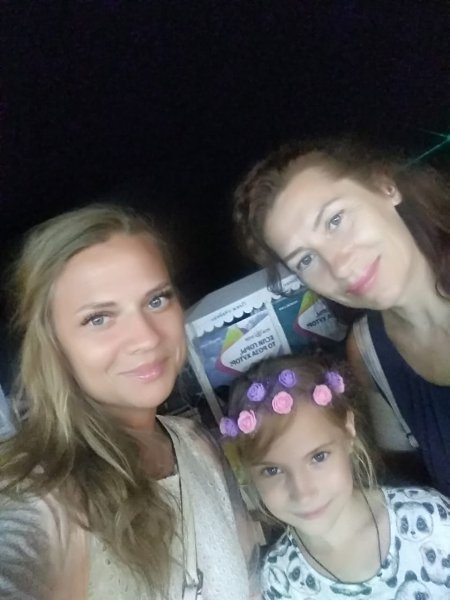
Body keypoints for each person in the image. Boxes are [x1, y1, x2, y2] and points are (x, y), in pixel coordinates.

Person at [0, 204, 259, 599]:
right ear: (53, 346)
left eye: (156, 300)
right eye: (99, 318)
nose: (146, 338)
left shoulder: (197, 444)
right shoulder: (43, 493)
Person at [232, 138, 450, 495]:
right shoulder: (370, 353)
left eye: (335, 220)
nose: (340, 266)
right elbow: (416, 489)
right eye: (305, 259)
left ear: (385, 187)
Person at [221, 354, 450, 599]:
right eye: (272, 470)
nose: (303, 492)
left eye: (318, 457)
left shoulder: (430, 520)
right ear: (247, 471)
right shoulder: (281, 580)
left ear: (349, 430)